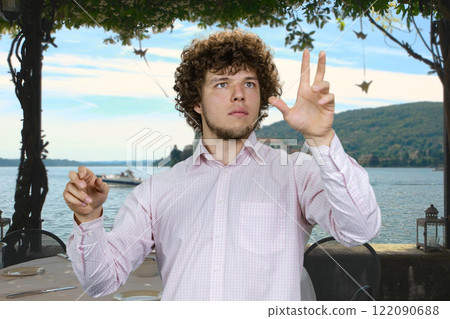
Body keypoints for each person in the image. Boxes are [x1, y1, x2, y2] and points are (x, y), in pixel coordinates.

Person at [63, 29, 381, 300]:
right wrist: (88, 218)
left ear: (262, 96)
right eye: (222, 84)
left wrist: (322, 138)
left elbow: (360, 229)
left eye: (250, 84)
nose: (239, 95)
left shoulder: (296, 173)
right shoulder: (156, 191)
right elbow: (100, 282)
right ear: (196, 103)